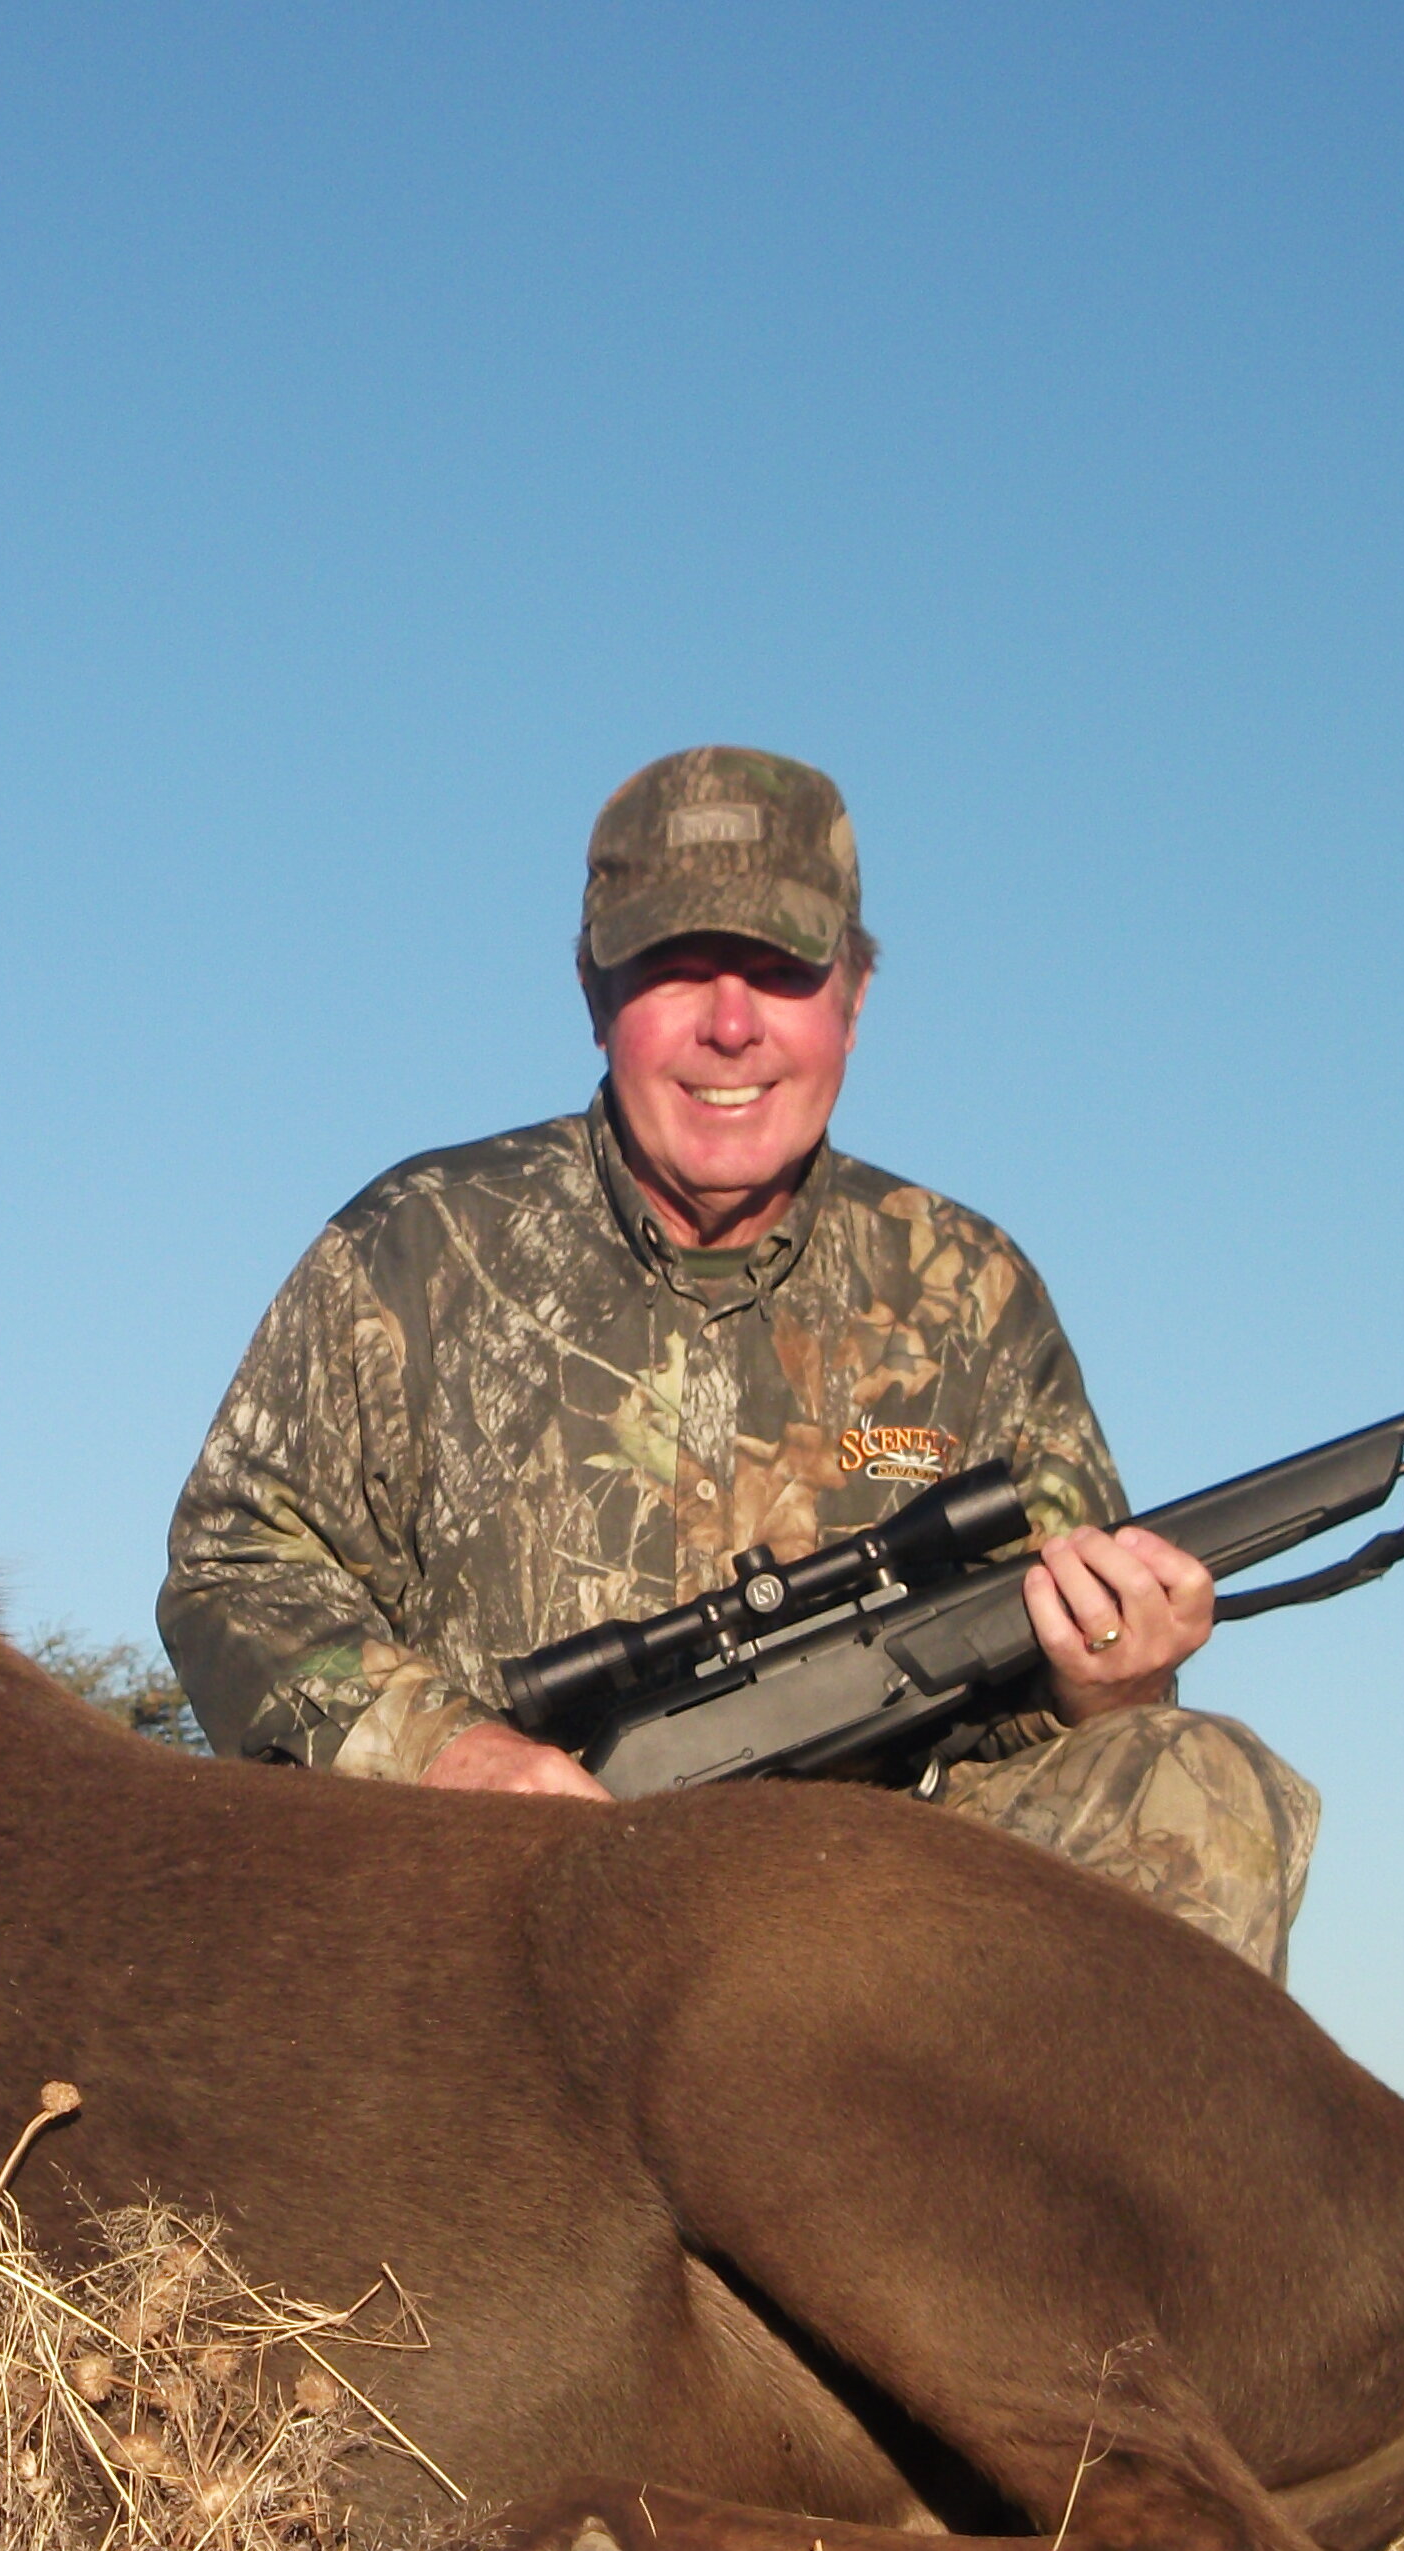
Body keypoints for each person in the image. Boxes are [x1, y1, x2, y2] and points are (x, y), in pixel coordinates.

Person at [157, 746, 1321, 1977]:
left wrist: (1113, 1692)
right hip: (504, 1936)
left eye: (778, 971)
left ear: (854, 998)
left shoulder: (970, 1289)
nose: (729, 1024)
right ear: (596, 993)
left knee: (1199, 1778)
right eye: (673, 969)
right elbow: (234, 1564)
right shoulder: (416, 1244)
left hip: (872, 1936)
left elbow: (1049, 1707)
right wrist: (448, 1752)